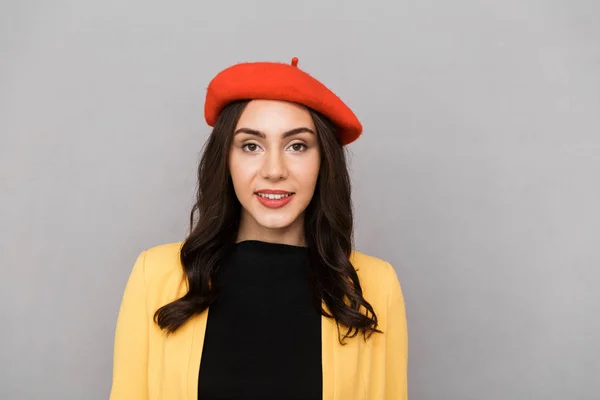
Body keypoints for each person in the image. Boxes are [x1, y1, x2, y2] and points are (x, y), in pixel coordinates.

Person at [110, 57, 408, 400]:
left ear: (324, 161)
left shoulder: (375, 287)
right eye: (251, 145)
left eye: (297, 146)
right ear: (226, 159)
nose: (274, 170)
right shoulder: (155, 276)